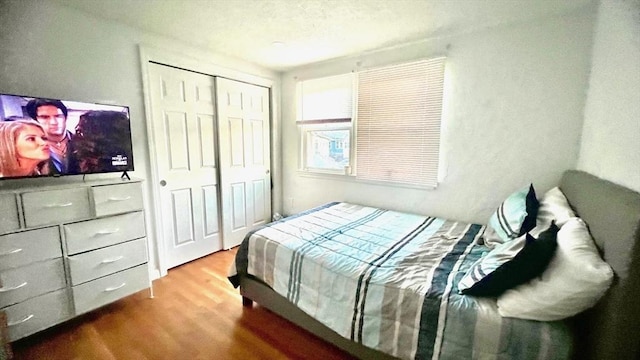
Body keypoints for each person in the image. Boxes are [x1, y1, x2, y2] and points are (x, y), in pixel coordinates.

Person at [25, 98, 73, 173]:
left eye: (58, 116)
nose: (53, 122)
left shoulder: (83, 141)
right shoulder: (30, 147)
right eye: (45, 117)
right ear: (35, 121)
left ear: (65, 118)